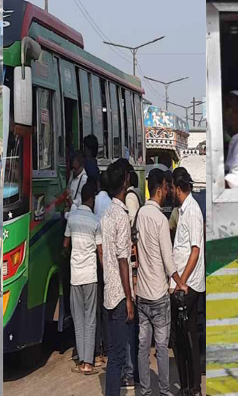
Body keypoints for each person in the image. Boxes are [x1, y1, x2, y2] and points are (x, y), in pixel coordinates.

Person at [135, 168, 188, 396]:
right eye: (166, 187)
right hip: (158, 296)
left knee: (142, 347)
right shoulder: (160, 219)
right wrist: (180, 282)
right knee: (162, 350)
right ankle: (165, 391)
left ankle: (146, 392)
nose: (168, 191)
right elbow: (168, 259)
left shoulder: (140, 215)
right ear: (159, 189)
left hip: (142, 295)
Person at [168, 167, 205, 395]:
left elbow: (195, 250)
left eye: (172, 187)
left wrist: (181, 282)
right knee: (185, 335)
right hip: (185, 282)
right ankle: (190, 386)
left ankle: (191, 386)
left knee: (183, 336)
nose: (171, 191)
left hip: (188, 284)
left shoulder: (192, 211)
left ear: (178, 188)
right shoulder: (183, 209)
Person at [100, 159, 136, 396]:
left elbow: (105, 253)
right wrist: (129, 298)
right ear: (125, 182)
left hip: (108, 293)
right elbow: (124, 260)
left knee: (113, 355)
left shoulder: (106, 214)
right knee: (119, 356)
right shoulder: (122, 216)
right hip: (120, 295)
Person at [63, 181, 102, 376]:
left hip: (75, 276)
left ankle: (81, 361)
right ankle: (89, 362)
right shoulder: (95, 221)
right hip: (91, 276)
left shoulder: (72, 218)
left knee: (78, 319)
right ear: (92, 199)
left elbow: (65, 244)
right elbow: (100, 251)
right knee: (90, 319)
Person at [66, 151, 87, 220]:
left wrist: (69, 197)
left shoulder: (84, 179)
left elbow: (80, 202)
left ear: (81, 165)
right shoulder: (72, 173)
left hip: (76, 215)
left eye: (76, 168)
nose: (73, 170)